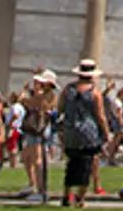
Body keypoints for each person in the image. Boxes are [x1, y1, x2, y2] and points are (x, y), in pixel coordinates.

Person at [59, 60, 108, 208]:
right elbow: (100, 115)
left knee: (72, 163)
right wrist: (105, 133)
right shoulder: (94, 92)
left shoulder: (68, 89)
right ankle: (80, 198)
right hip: (88, 132)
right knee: (87, 165)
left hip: (70, 131)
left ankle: (66, 195)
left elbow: (60, 108)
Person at [20, 71, 56, 204]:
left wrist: (24, 91)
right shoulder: (48, 96)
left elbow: (25, 101)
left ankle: (41, 190)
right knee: (28, 158)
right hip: (38, 129)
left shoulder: (44, 97)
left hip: (37, 130)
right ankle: (34, 185)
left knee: (37, 160)